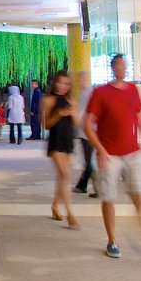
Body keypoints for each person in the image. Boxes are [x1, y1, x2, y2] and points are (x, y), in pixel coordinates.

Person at [85, 54, 141, 259]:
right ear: (113, 68)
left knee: (140, 195)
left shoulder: (132, 91)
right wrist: (100, 149)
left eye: (125, 65)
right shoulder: (101, 92)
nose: (123, 69)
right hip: (110, 154)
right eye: (119, 65)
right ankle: (112, 240)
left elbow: (140, 119)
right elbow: (88, 124)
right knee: (108, 197)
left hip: (133, 152)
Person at [43, 70, 80, 229]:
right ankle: (70, 215)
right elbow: (47, 124)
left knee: (62, 177)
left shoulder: (72, 100)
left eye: (66, 84)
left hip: (68, 139)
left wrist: (72, 113)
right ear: (55, 83)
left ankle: (55, 206)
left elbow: (77, 123)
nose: (63, 86)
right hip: (56, 140)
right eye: (60, 83)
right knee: (65, 175)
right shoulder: (48, 100)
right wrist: (58, 114)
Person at [72, 71, 97, 197]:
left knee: (88, 159)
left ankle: (86, 185)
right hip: (88, 130)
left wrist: (78, 122)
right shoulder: (88, 92)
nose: (77, 81)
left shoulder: (87, 93)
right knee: (89, 159)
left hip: (86, 131)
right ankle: (83, 184)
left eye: (79, 79)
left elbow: (81, 112)